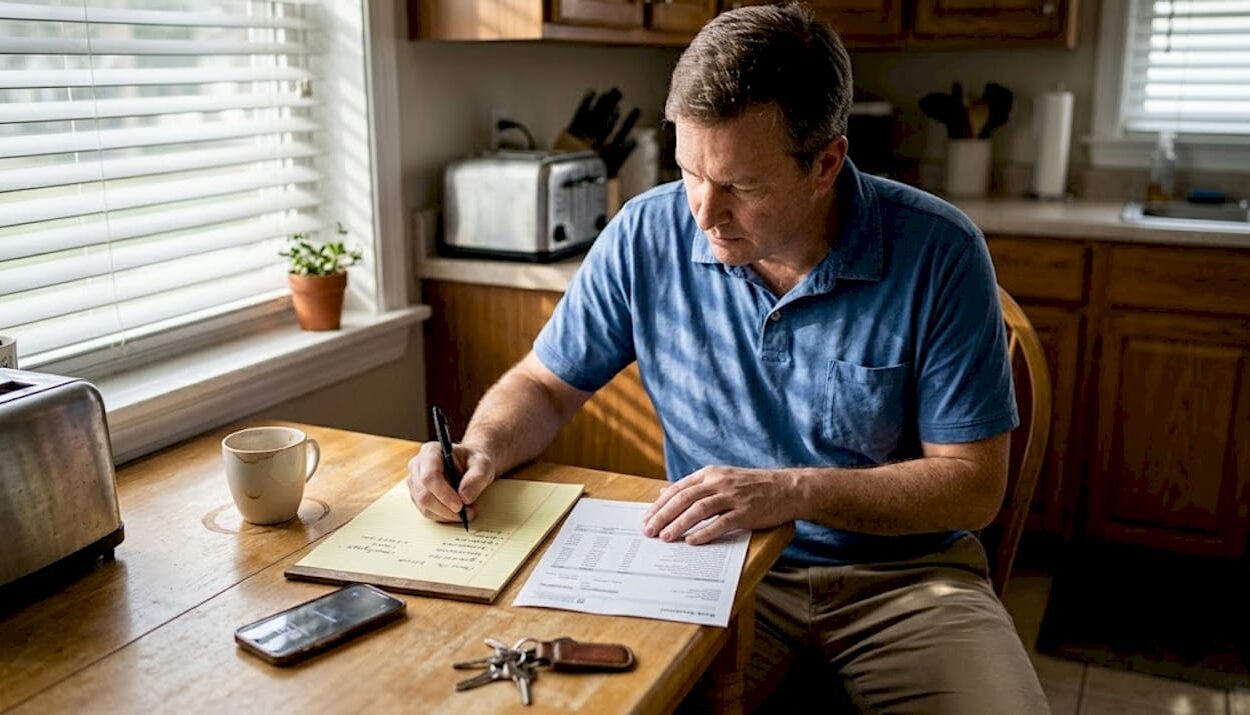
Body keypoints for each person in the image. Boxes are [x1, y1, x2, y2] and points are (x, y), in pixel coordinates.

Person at [407, 3, 1048, 712]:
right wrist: (482, 447)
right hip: (712, 569)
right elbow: (544, 384)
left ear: (825, 163)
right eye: (689, 172)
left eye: (741, 186)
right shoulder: (644, 233)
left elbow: (972, 486)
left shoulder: (940, 251)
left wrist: (791, 492)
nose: (704, 213)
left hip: (906, 581)